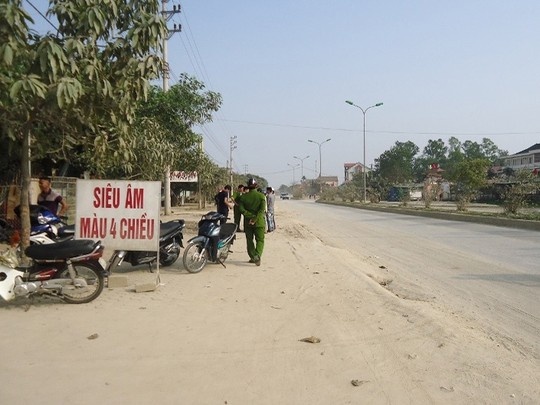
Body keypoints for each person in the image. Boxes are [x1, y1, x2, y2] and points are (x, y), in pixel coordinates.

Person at [239, 178, 266, 266]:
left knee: (249, 240)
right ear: (256, 186)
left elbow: (241, 209)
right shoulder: (261, 196)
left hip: (248, 223)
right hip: (259, 222)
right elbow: (261, 211)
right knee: (260, 240)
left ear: (248, 187)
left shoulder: (243, 197)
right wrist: (255, 219)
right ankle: (257, 256)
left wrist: (250, 216)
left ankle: (253, 256)